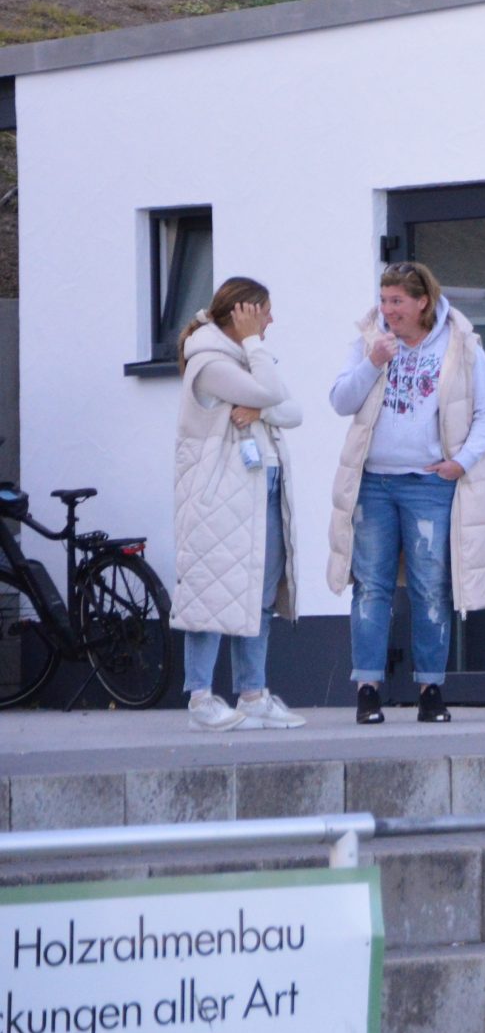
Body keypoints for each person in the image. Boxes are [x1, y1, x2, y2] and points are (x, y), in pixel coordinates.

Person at [328, 262, 485, 725]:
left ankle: (431, 689)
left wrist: (460, 462)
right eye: (384, 300)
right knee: (371, 586)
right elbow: (341, 401)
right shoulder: (370, 341)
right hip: (373, 482)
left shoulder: (460, 343)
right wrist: (372, 362)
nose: (388, 311)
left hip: (429, 484)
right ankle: (368, 690)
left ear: (422, 301)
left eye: (397, 302)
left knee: (430, 588)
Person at [170, 278, 304, 730]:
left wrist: (261, 411)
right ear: (243, 313)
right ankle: (200, 699)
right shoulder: (210, 362)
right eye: (265, 311)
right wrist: (253, 348)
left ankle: (252, 694)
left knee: (259, 596)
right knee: (210, 591)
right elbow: (271, 392)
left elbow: (292, 410)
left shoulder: (248, 360)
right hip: (220, 493)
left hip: (262, 484)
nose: (271, 320)